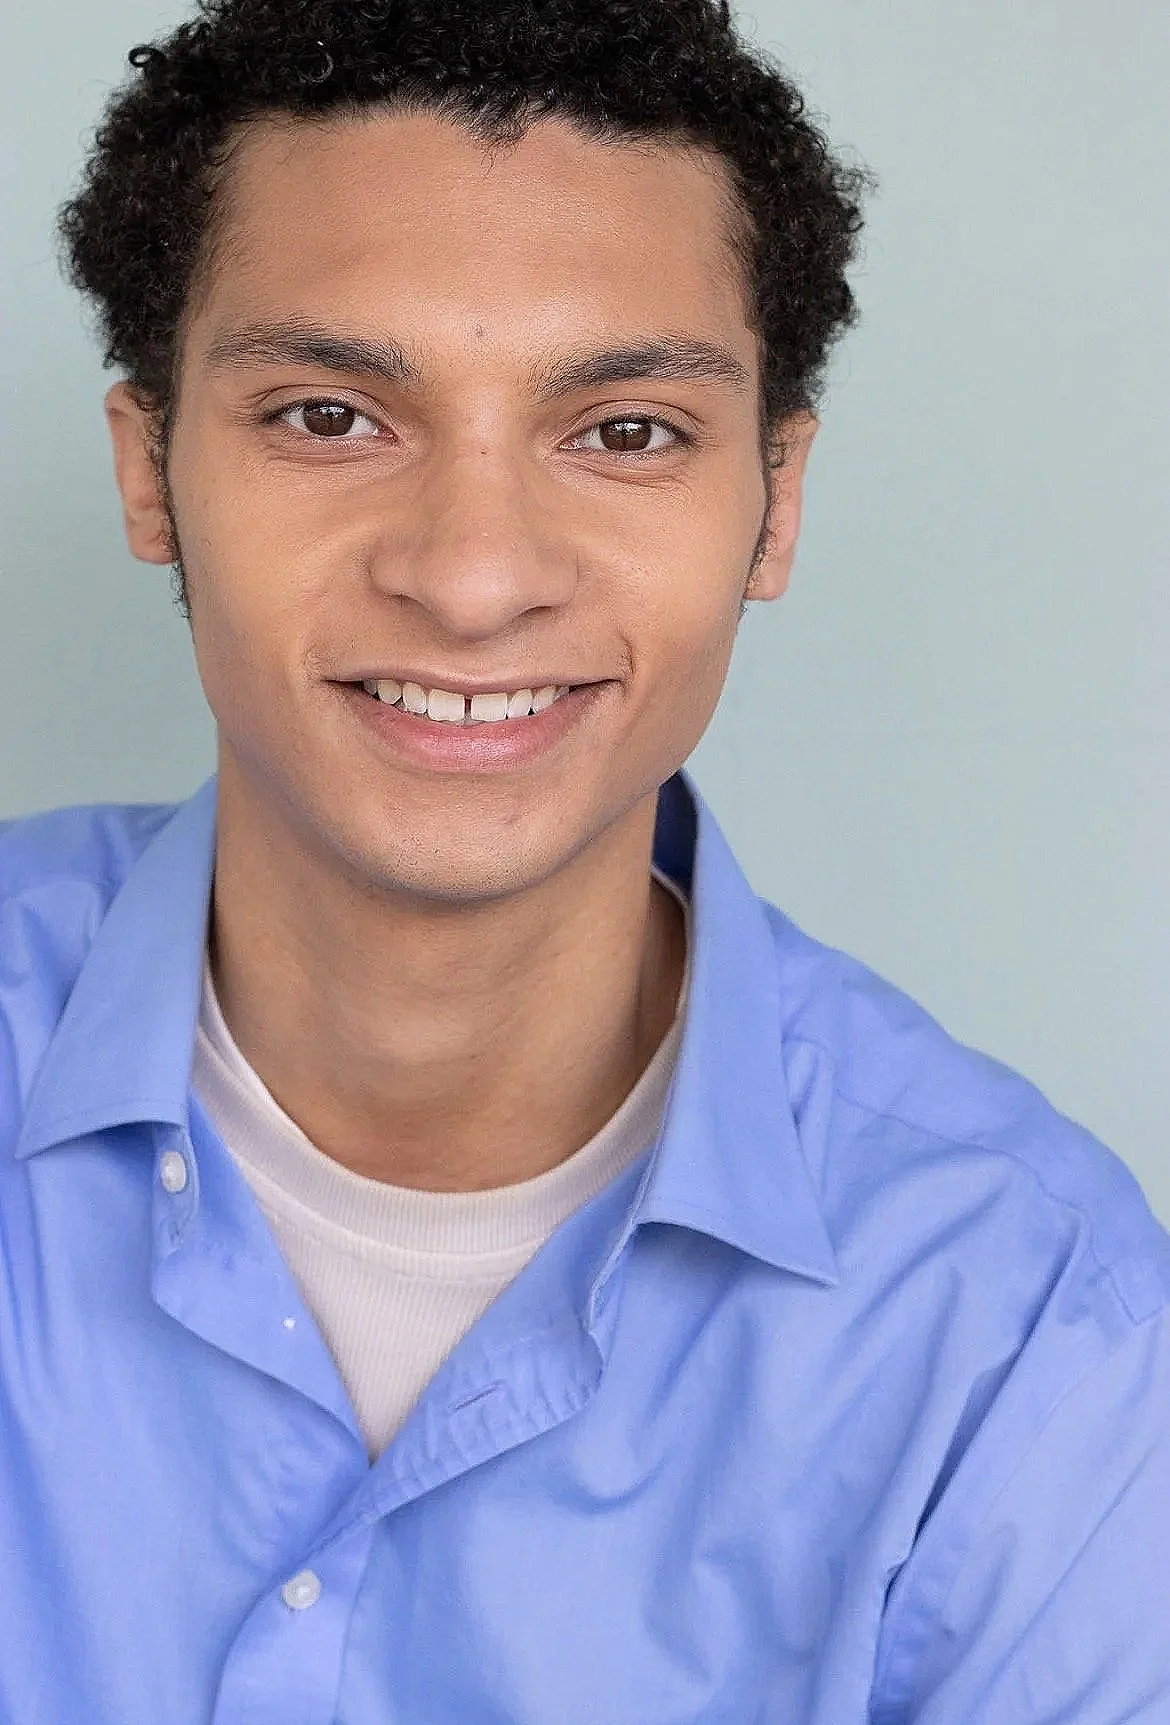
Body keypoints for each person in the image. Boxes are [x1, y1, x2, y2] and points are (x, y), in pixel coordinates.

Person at [1, 0, 1167, 1718]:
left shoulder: (1026, 1318)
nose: (475, 580)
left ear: (773, 506)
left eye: (623, 432)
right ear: (150, 471)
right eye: (329, 415)